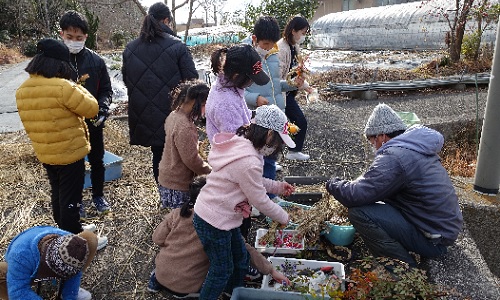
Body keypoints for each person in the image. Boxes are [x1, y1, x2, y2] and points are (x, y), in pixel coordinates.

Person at [325, 103, 463, 266]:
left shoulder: (394, 157)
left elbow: (356, 195)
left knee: (360, 212)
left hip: (434, 241)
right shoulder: (413, 147)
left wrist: (332, 183)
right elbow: (374, 184)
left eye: (372, 141)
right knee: (377, 202)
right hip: (441, 230)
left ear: (382, 136)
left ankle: (401, 268)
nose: (373, 147)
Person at [193, 105, 296, 300]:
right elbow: (259, 199)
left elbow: (253, 181)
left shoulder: (244, 146)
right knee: (221, 270)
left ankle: (234, 293)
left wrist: (278, 187)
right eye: (278, 142)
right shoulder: (248, 160)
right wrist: (284, 217)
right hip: (213, 220)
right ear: (269, 135)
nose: (277, 148)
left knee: (240, 259)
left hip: (222, 216)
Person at [15, 38, 108, 250]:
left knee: (58, 194)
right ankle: (76, 241)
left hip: (46, 153)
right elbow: (92, 108)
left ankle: (66, 230)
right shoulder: (63, 87)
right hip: (69, 154)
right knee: (71, 200)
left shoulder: (22, 90)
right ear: (59, 64)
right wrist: (75, 84)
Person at [148, 175, 291, 298]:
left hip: (161, 275)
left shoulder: (177, 214)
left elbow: (157, 238)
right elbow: (245, 249)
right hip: (187, 288)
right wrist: (271, 270)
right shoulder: (219, 225)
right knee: (221, 269)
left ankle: (155, 282)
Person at [122, 2, 198, 185]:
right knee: (181, 155)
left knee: (159, 153)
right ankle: (181, 197)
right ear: (166, 21)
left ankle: (165, 195)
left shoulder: (130, 49)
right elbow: (193, 82)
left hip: (145, 113)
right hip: (174, 113)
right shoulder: (177, 46)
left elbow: (127, 80)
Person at [205, 43, 270, 237]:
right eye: (250, 80)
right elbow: (239, 144)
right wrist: (265, 135)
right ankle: (238, 260)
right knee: (238, 223)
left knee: (241, 218)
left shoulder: (231, 90)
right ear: (236, 76)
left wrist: (260, 116)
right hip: (234, 172)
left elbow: (243, 116)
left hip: (234, 167)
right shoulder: (225, 103)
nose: (251, 84)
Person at [59, 10, 113, 217]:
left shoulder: (96, 61)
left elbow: (106, 90)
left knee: (97, 159)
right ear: (61, 34)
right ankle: (76, 201)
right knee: (73, 164)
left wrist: (103, 109)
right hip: (67, 123)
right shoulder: (56, 62)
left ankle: (98, 195)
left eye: (79, 38)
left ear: (86, 38)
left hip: (93, 121)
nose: (74, 41)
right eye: (70, 37)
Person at [245, 16, 300, 203]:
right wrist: (255, 98)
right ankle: (259, 198)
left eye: (272, 44)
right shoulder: (246, 58)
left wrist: (292, 84)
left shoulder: (273, 55)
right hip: (257, 119)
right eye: (265, 43)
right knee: (257, 160)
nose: (269, 47)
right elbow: (235, 92)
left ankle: (267, 197)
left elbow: (276, 86)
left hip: (276, 115)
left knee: (270, 157)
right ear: (255, 39)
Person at [0, 226, 98, 300]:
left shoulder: (69, 241)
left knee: (90, 238)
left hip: (52, 263)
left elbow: (75, 271)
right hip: (26, 271)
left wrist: (70, 295)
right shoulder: (20, 255)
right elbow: (18, 292)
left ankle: (67, 288)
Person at [158, 80, 212, 209]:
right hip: (178, 185)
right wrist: (210, 172)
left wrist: (194, 145)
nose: (205, 110)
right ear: (195, 103)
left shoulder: (174, 115)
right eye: (204, 105)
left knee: (172, 218)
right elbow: (192, 160)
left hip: (166, 178)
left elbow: (178, 144)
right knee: (181, 222)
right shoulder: (185, 127)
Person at [277, 15, 313, 161]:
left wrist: (305, 85)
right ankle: (279, 155)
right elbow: (277, 78)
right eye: (302, 33)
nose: (303, 36)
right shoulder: (281, 49)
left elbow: (297, 70)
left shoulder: (294, 46)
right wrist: (297, 83)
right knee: (296, 121)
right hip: (281, 92)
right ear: (293, 31)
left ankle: (291, 151)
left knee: (293, 122)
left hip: (289, 92)